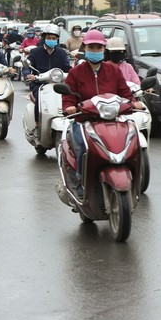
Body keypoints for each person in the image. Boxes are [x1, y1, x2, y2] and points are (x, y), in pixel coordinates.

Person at [61, 30, 139, 197]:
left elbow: (125, 93)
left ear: (104, 49)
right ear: (85, 48)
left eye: (98, 47)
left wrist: (133, 102)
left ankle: (134, 180)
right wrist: (70, 107)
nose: (95, 51)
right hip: (84, 120)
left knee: (132, 143)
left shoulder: (113, 71)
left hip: (113, 119)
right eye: (91, 47)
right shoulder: (76, 72)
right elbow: (68, 95)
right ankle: (80, 181)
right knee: (83, 147)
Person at [24, 24, 71, 138]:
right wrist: (29, 75)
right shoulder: (35, 52)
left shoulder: (61, 53)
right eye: (49, 38)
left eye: (54, 38)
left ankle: (69, 124)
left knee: (70, 97)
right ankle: (37, 126)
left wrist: (74, 74)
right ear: (44, 38)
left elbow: (67, 67)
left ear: (57, 40)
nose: (51, 40)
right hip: (40, 83)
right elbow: (27, 66)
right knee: (40, 99)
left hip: (58, 83)